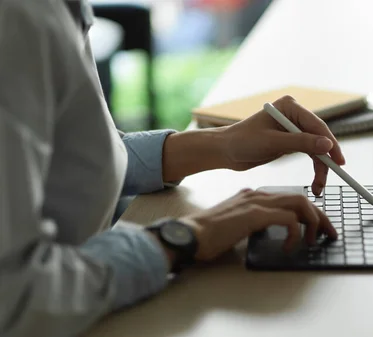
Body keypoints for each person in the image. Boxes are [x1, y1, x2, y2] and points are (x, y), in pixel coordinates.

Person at [0, 1, 344, 336]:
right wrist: (185, 237)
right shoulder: (19, 19)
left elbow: (63, 164)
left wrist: (219, 145)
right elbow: (15, 298)